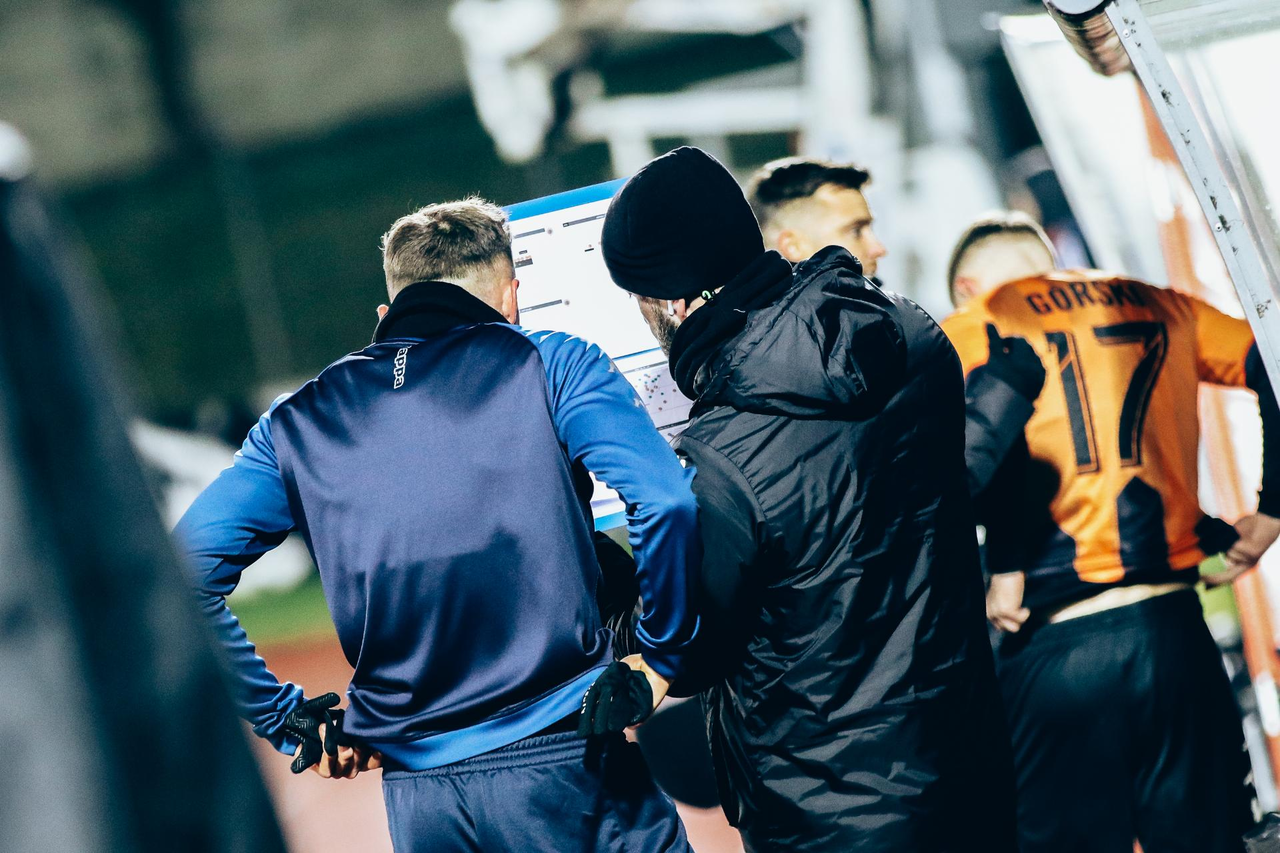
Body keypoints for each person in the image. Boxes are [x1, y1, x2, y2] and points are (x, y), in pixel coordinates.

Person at [176, 198, 701, 852]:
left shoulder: (297, 419)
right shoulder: (553, 362)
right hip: (572, 766)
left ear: (386, 314)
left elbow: (183, 572)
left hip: (421, 805)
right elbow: (667, 501)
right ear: (511, 298)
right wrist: (662, 654)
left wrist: (286, 720)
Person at [601, 146, 1017, 852]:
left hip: (826, 812)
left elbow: (688, 649)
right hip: (971, 771)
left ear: (671, 302)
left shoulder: (724, 455)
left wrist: (601, 563)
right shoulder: (912, 333)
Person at [941, 211, 1275, 852]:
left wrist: (1005, 556)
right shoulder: (1158, 303)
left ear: (966, 286)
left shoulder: (974, 323)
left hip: (1055, 643)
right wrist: (1273, 511)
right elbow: (1272, 358)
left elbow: (956, 470)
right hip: (1174, 631)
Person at [746, 156, 1046, 496]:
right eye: (856, 230)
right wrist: (1004, 390)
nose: (878, 247)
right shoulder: (821, 366)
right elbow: (921, 497)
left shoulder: (763, 357)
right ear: (793, 245)